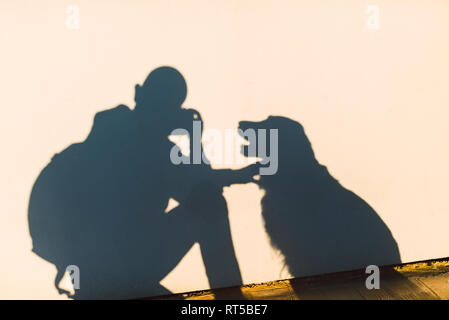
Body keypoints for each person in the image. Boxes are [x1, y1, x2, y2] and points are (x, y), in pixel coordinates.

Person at [28, 66, 257, 299]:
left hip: (104, 271)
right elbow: (201, 191)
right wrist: (194, 139)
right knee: (212, 204)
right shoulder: (148, 148)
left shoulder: (111, 136)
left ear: (138, 93)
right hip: (117, 270)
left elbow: (192, 185)